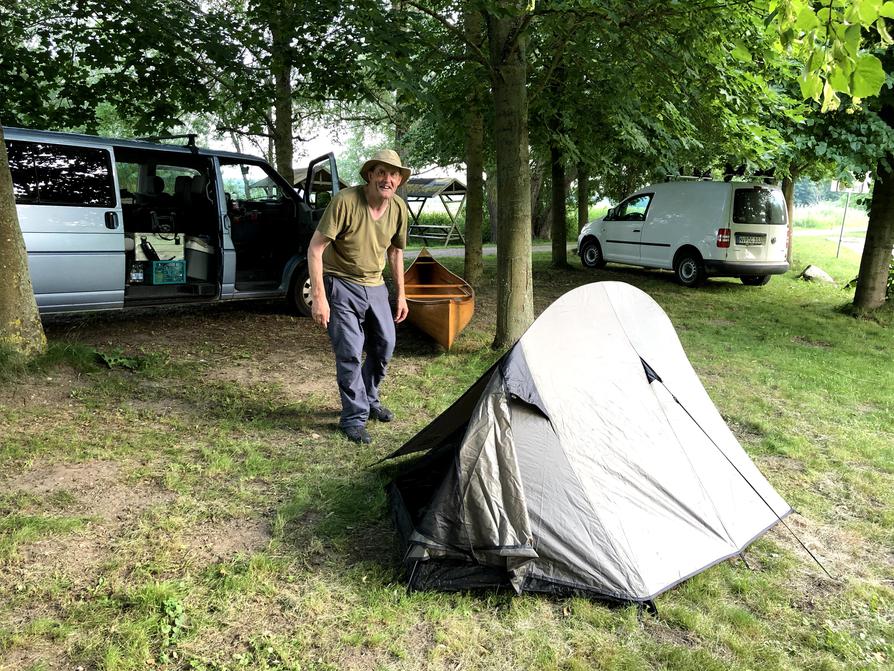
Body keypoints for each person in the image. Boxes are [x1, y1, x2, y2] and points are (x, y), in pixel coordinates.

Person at [307, 149, 410, 444]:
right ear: (370, 175)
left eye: (393, 174)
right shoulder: (345, 202)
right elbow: (315, 249)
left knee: (385, 345)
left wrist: (401, 295)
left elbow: (396, 251)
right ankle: (353, 417)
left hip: (376, 285)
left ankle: (369, 398)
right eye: (381, 172)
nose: (387, 179)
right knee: (350, 351)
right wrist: (319, 297)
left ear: (399, 180)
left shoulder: (398, 209)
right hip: (341, 283)